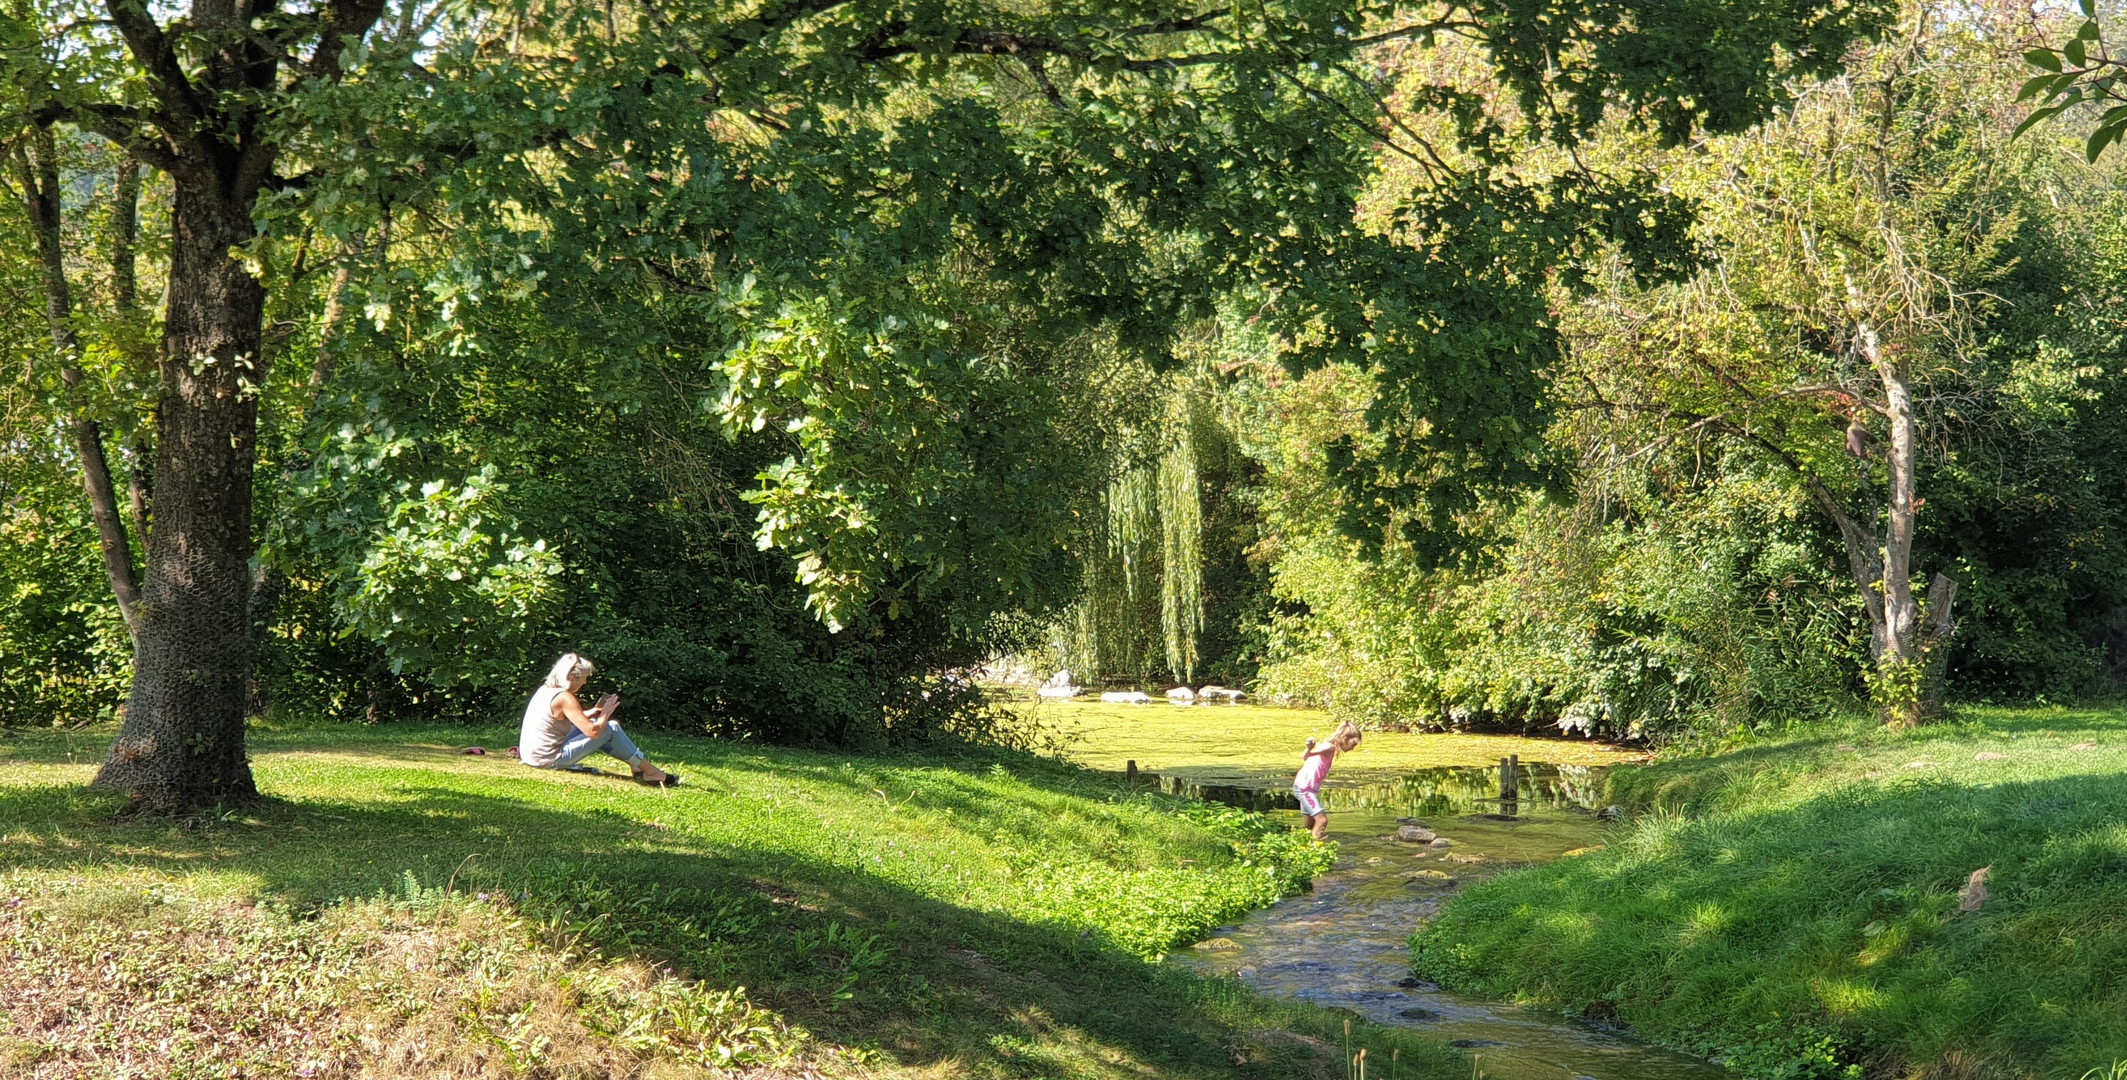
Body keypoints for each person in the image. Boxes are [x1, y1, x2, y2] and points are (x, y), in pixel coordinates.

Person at [519, 653, 680, 786]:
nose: (585, 682)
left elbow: (562, 719)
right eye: (584, 677)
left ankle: (637, 766)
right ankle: (650, 771)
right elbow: (593, 732)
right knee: (610, 728)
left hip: (531, 756)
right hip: (548, 760)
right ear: (572, 677)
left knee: (610, 727)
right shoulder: (565, 698)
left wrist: (594, 712)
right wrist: (606, 713)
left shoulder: (546, 690)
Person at [1292, 720, 1360, 840]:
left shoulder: (1331, 749)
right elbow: (1305, 756)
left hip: (1307, 788)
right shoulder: (1328, 746)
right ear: (1345, 738)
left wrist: (1310, 749)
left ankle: (1304, 844)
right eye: (1353, 744)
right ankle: (1316, 851)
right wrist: (1309, 748)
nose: (1352, 748)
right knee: (1322, 821)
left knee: (1310, 824)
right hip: (1305, 788)